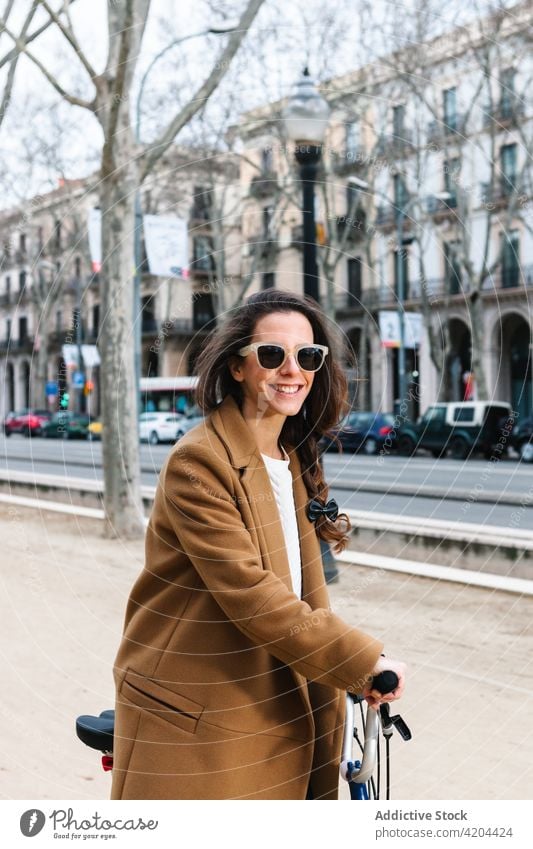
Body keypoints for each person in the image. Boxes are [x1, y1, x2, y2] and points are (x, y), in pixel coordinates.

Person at [110, 289, 406, 800]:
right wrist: (361, 660)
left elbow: (296, 590)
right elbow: (253, 594)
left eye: (308, 356)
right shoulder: (197, 462)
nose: (292, 370)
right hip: (204, 717)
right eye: (272, 354)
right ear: (239, 366)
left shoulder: (290, 458)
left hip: (273, 697)